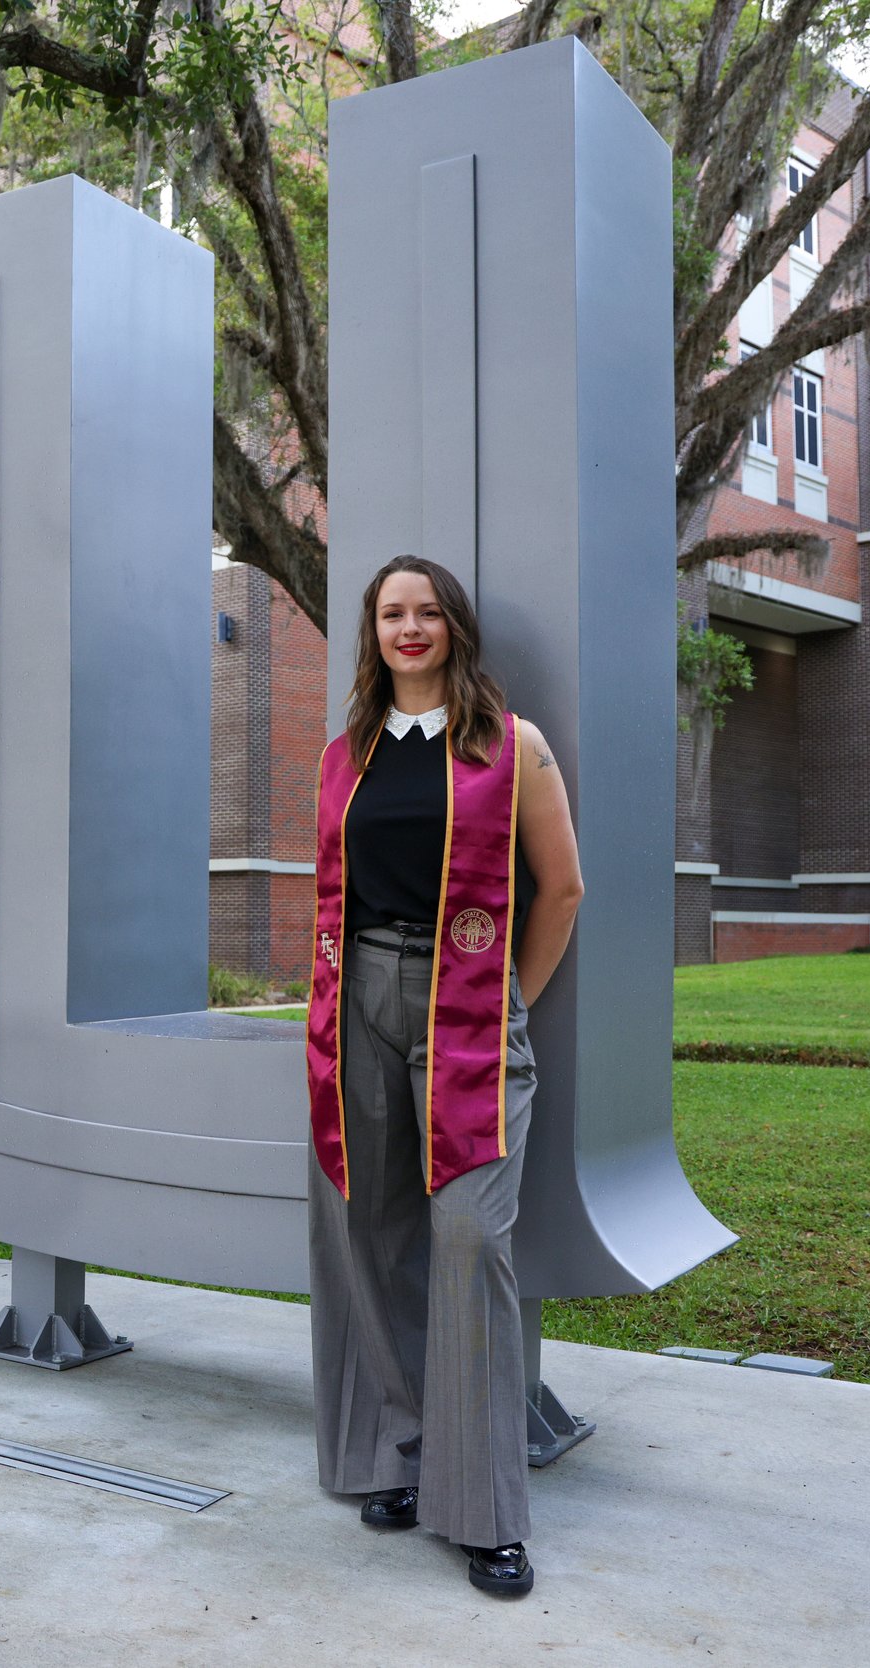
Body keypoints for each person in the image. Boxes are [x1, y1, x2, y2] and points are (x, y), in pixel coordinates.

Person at [303, 554, 585, 1598]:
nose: (409, 628)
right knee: (365, 1231)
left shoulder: (513, 748)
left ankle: (485, 1511)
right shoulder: (348, 755)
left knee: (468, 1238)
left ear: (455, 628)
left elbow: (561, 890)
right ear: (373, 634)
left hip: (464, 1005)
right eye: (391, 614)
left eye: (426, 612)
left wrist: (506, 999)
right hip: (358, 1000)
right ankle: (401, 1456)